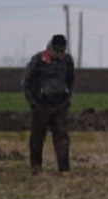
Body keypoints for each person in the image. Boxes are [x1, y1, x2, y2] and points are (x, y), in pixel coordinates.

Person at [22, 34, 75, 176]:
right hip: (41, 106)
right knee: (37, 138)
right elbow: (26, 81)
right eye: (57, 51)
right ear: (51, 48)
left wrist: (68, 99)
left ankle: (64, 169)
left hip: (60, 106)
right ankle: (36, 167)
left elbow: (71, 81)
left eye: (62, 51)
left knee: (62, 138)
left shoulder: (68, 61)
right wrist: (33, 103)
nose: (60, 54)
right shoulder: (38, 60)